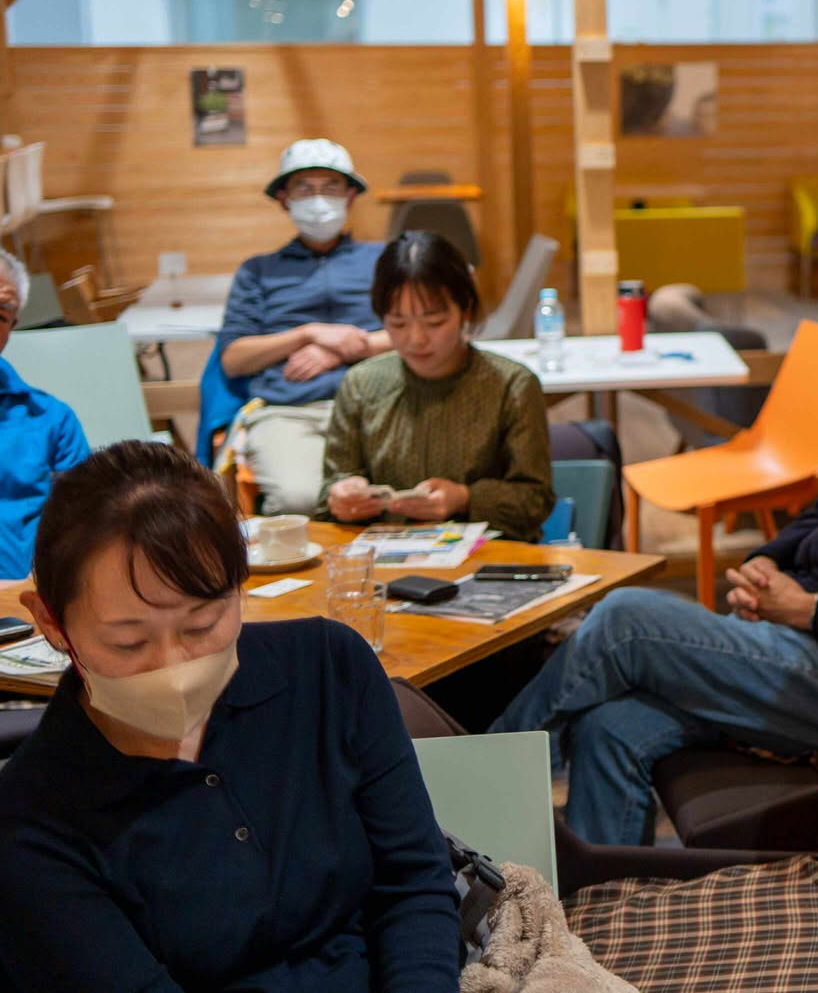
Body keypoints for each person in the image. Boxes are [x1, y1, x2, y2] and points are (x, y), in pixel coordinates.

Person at [492, 263, 818, 845]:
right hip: (807, 644)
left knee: (624, 620)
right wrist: (769, 560)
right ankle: (601, 896)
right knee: (611, 726)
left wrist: (812, 608)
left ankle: (483, 787)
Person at [0, 441, 458, 989]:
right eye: (128, 642)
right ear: (51, 622)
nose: (174, 667)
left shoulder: (329, 667)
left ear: (241, 586)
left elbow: (413, 882)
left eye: (202, 625)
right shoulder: (30, 821)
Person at [320, 231, 553, 541]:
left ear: (465, 311)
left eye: (434, 322)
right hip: (384, 556)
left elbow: (536, 500)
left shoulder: (511, 386)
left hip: (491, 555)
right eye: (398, 324)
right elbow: (331, 490)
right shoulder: (361, 384)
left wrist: (465, 498)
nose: (416, 339)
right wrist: (343, 496)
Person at [217, 139, 388, 515]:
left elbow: (425, 333)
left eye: (330, 187)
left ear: (350, 196)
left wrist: (342, 350)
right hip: (289, 409)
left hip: (382, 402)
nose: (318, 200)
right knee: (299, 501)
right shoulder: (257, 271)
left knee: (400, 494)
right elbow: (233, 359)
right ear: (284, 199)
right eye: (304, 189)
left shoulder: (385, 259)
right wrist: (308, 333)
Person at [0, 249, 89, 579]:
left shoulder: (52, 421)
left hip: (23, 598)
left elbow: (86, 522)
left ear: (12, 327)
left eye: (1, 314)